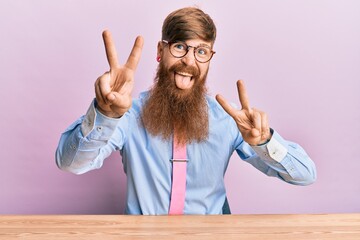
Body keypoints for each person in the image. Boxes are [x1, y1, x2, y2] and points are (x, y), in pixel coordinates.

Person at [56, 7, 316, 215]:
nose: (190, 61)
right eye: (179, 46)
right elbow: (70, 164)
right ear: (161, 51)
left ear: (210, 58)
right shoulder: (127, 114)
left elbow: (304, 176)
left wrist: (265, 142)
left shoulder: (230, 121)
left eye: (201, 51)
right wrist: (105, 114)